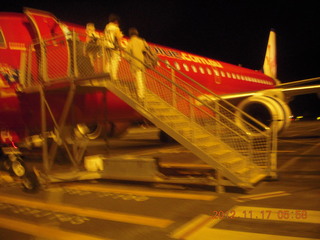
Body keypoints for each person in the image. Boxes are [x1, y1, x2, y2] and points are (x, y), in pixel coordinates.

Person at [125, 27, 147, 101]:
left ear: (130, 34)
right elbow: (145, 51)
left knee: (138, 79)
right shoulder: (141, 41)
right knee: (141, 78)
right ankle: (142, 94)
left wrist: (130, 60)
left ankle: (140, 95)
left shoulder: (130, 42)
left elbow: (126, 55)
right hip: (141, 62)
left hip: (135, 63)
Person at [104, 14, 123, 80]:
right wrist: (120, 48)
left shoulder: (107, 27)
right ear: (115, 21)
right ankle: (113, 77)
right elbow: (118, 39)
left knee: (109, 61)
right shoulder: (116, 28)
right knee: (114, 62)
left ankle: (106, 75)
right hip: (114, 47)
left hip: (107, 46)